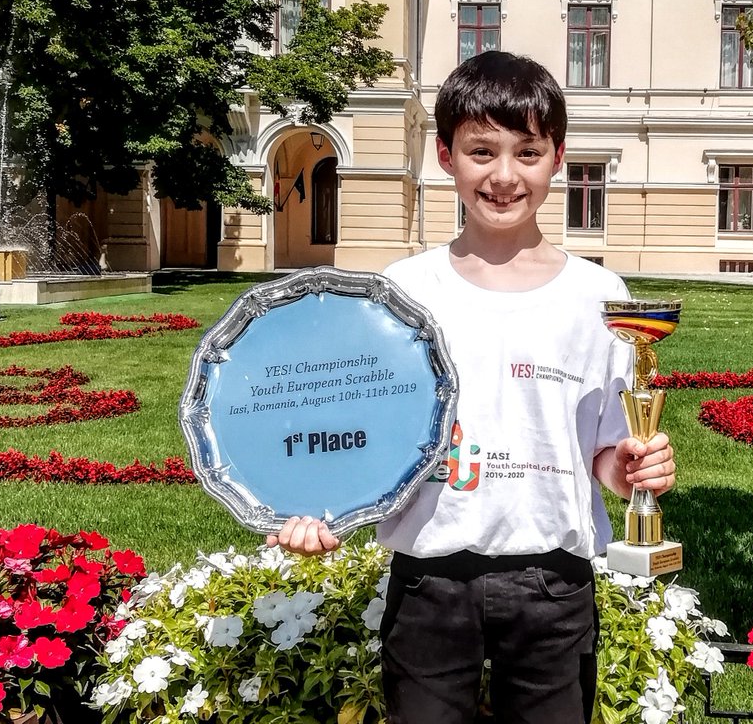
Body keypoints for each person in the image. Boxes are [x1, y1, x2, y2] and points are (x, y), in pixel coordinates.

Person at [269, 50, 676, 724]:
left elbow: (602, 449)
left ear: (558, 157)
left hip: (555, 579)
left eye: (527, 152)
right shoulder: (402, 292)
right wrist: (325, 505)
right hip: (429, 576)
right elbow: (360, 426)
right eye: (482, 151)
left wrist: (627, 465)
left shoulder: (600, 297)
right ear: (445, 155)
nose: (505, 175)